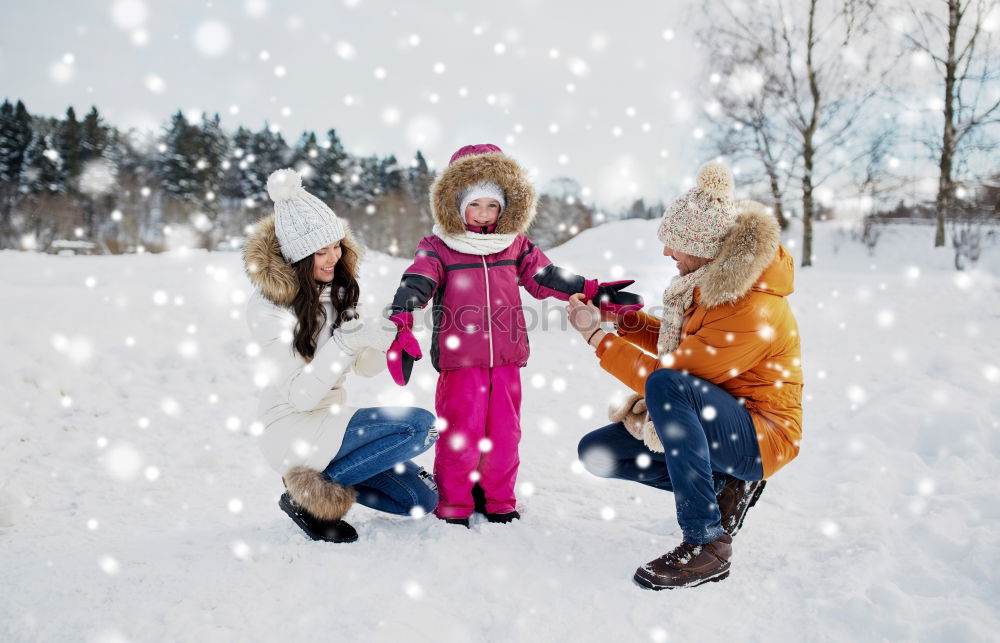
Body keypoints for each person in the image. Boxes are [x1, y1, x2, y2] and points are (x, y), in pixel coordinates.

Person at [569, 161, 802, 589]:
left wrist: (596, 339)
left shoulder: (752, 306)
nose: (666, 253)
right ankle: (720, 483)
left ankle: (706, 544)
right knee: (597, 452)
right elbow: (687, 348)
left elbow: (670, 375)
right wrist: (622, 321)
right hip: (720, 415)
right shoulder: (715, 283)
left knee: (664, 386)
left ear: (705, 246)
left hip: (760, 433)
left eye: (674, 244)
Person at [385, 144, 641, 527]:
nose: (484, 214)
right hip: (461, 364)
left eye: (493, 205)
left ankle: (499, 499)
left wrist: (593, 290)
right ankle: (455, 502)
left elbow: (546, 278)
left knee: (504, 436)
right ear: (456, 205)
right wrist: (402, 316)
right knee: (462, 435)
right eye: (475, 205)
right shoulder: (439, 247)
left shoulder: (514, 243)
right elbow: (417, 281)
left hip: (506, 361)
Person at [243, 168, 439, 543]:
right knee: (419, 426)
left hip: (331, 422)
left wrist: (385, 337)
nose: (334, 256)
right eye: (321, 251)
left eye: (336, 245)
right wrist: (348, 341)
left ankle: (335, 473)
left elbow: (363, 369)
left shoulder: (339, 290)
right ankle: (307, 495)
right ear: (299, 257)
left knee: (421, 499)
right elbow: (301, 395)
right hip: (291, 426)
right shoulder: (268, 308)